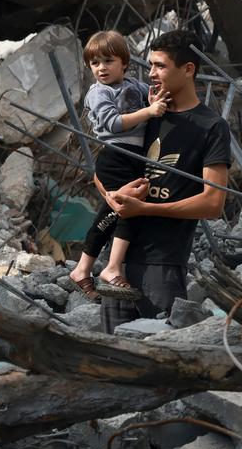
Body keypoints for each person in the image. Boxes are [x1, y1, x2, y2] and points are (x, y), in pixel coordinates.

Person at [96, 29, 232, 334]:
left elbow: (213, 203)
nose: (152, 74)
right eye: (150, 65)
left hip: (163, 264)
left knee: (160, 353)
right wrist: (111, 195)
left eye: (160, 66)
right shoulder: (144, 114)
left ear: (188, 69)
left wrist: (143, 209)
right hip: (116, 260)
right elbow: (102, 169)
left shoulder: (211, 128)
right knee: (111, 354)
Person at [69, 31, 169, 303]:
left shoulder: (134, 86)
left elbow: (151, 101)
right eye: (95, 63)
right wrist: (149, 112)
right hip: (115, 156)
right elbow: (112, 123)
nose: (101, 68)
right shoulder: (98, 93)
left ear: (124, 62)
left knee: (111, 212)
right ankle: (111, 268)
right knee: (129, 210)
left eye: (108, 61)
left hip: (133, 157)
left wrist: (152, 101)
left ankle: (82, 269)